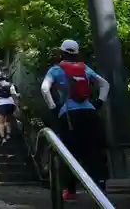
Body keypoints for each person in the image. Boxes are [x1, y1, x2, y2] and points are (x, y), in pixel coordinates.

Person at [40, 39, 110, 201]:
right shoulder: (84, 68)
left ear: (62, 52)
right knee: (94, 149)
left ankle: (70, 191)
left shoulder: (56, 70)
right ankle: (100, 187)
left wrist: (53, 107)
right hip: (90, 113)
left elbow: (45, 88)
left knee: (70, 152)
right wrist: (98, 102)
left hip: (69, 115)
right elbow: (105, 84)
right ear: (77, 53)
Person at [0, 75, 18, 145]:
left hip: (1, 104)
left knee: (1, 122)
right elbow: (14, 96)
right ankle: (8, 135)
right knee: (8, 120)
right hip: (10, 104)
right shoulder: (11, 85)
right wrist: (16, 106)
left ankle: (3, 138)